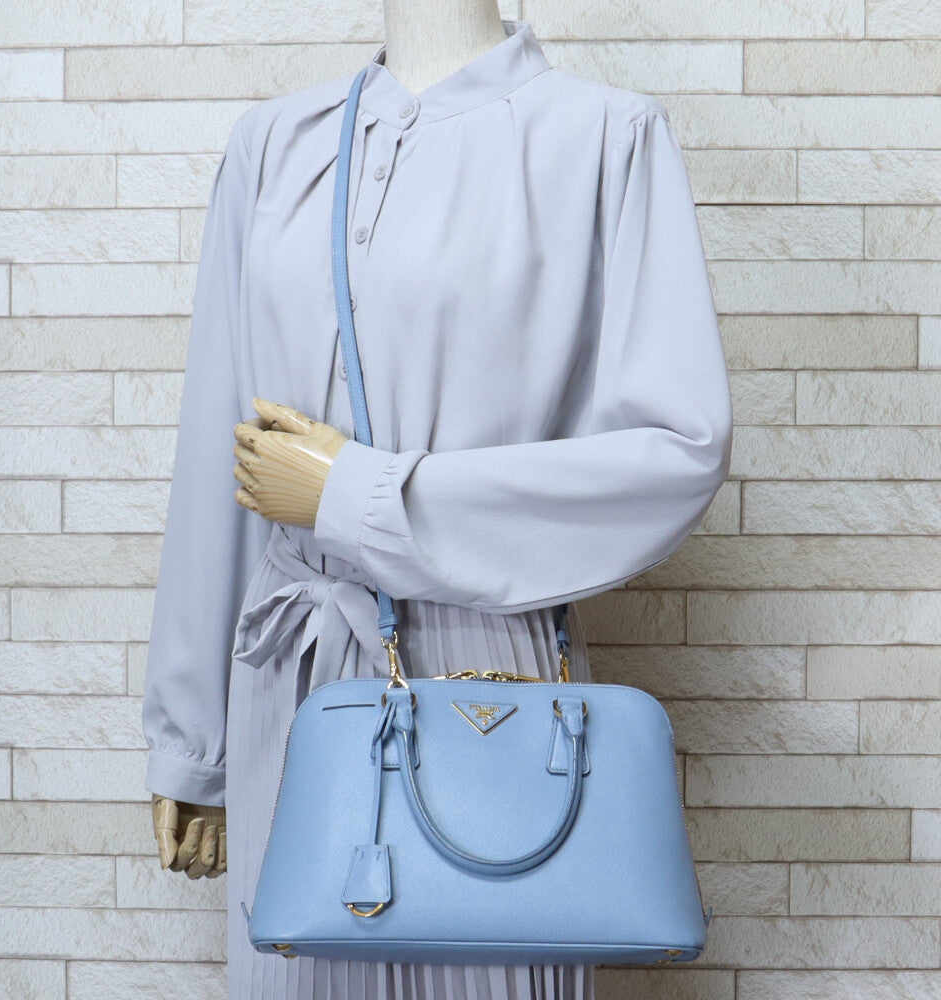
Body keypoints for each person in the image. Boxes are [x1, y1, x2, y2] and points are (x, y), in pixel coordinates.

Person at [141, 10, 733, 1000]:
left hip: (489, 670)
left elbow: (678, 450)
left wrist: (363, 495)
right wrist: (193, 741)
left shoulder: (605, 137)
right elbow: (226, 449)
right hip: (295, 678)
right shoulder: (272, 145)